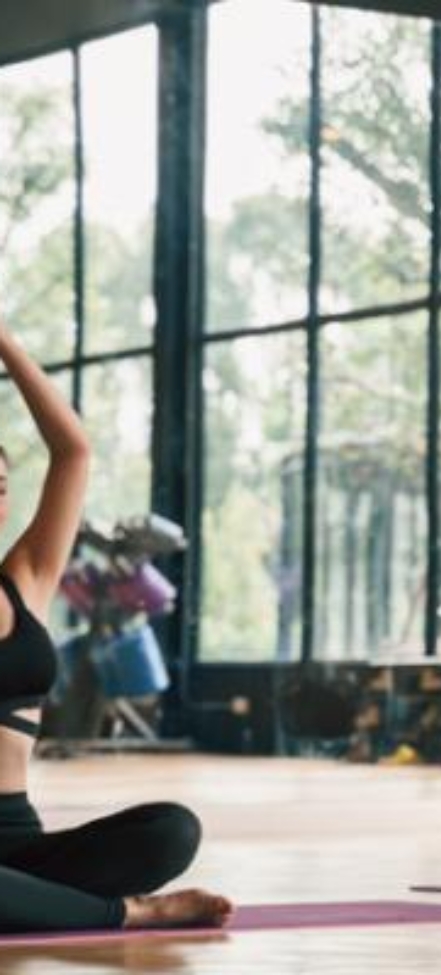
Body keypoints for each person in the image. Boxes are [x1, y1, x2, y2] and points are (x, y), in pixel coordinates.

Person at [0, 308, 232, 933]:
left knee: (171, 830)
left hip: (22, 846)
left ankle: (38, 901)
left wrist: (2, 340)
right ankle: (126, 914)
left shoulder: (23, 579)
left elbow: (72, 452)